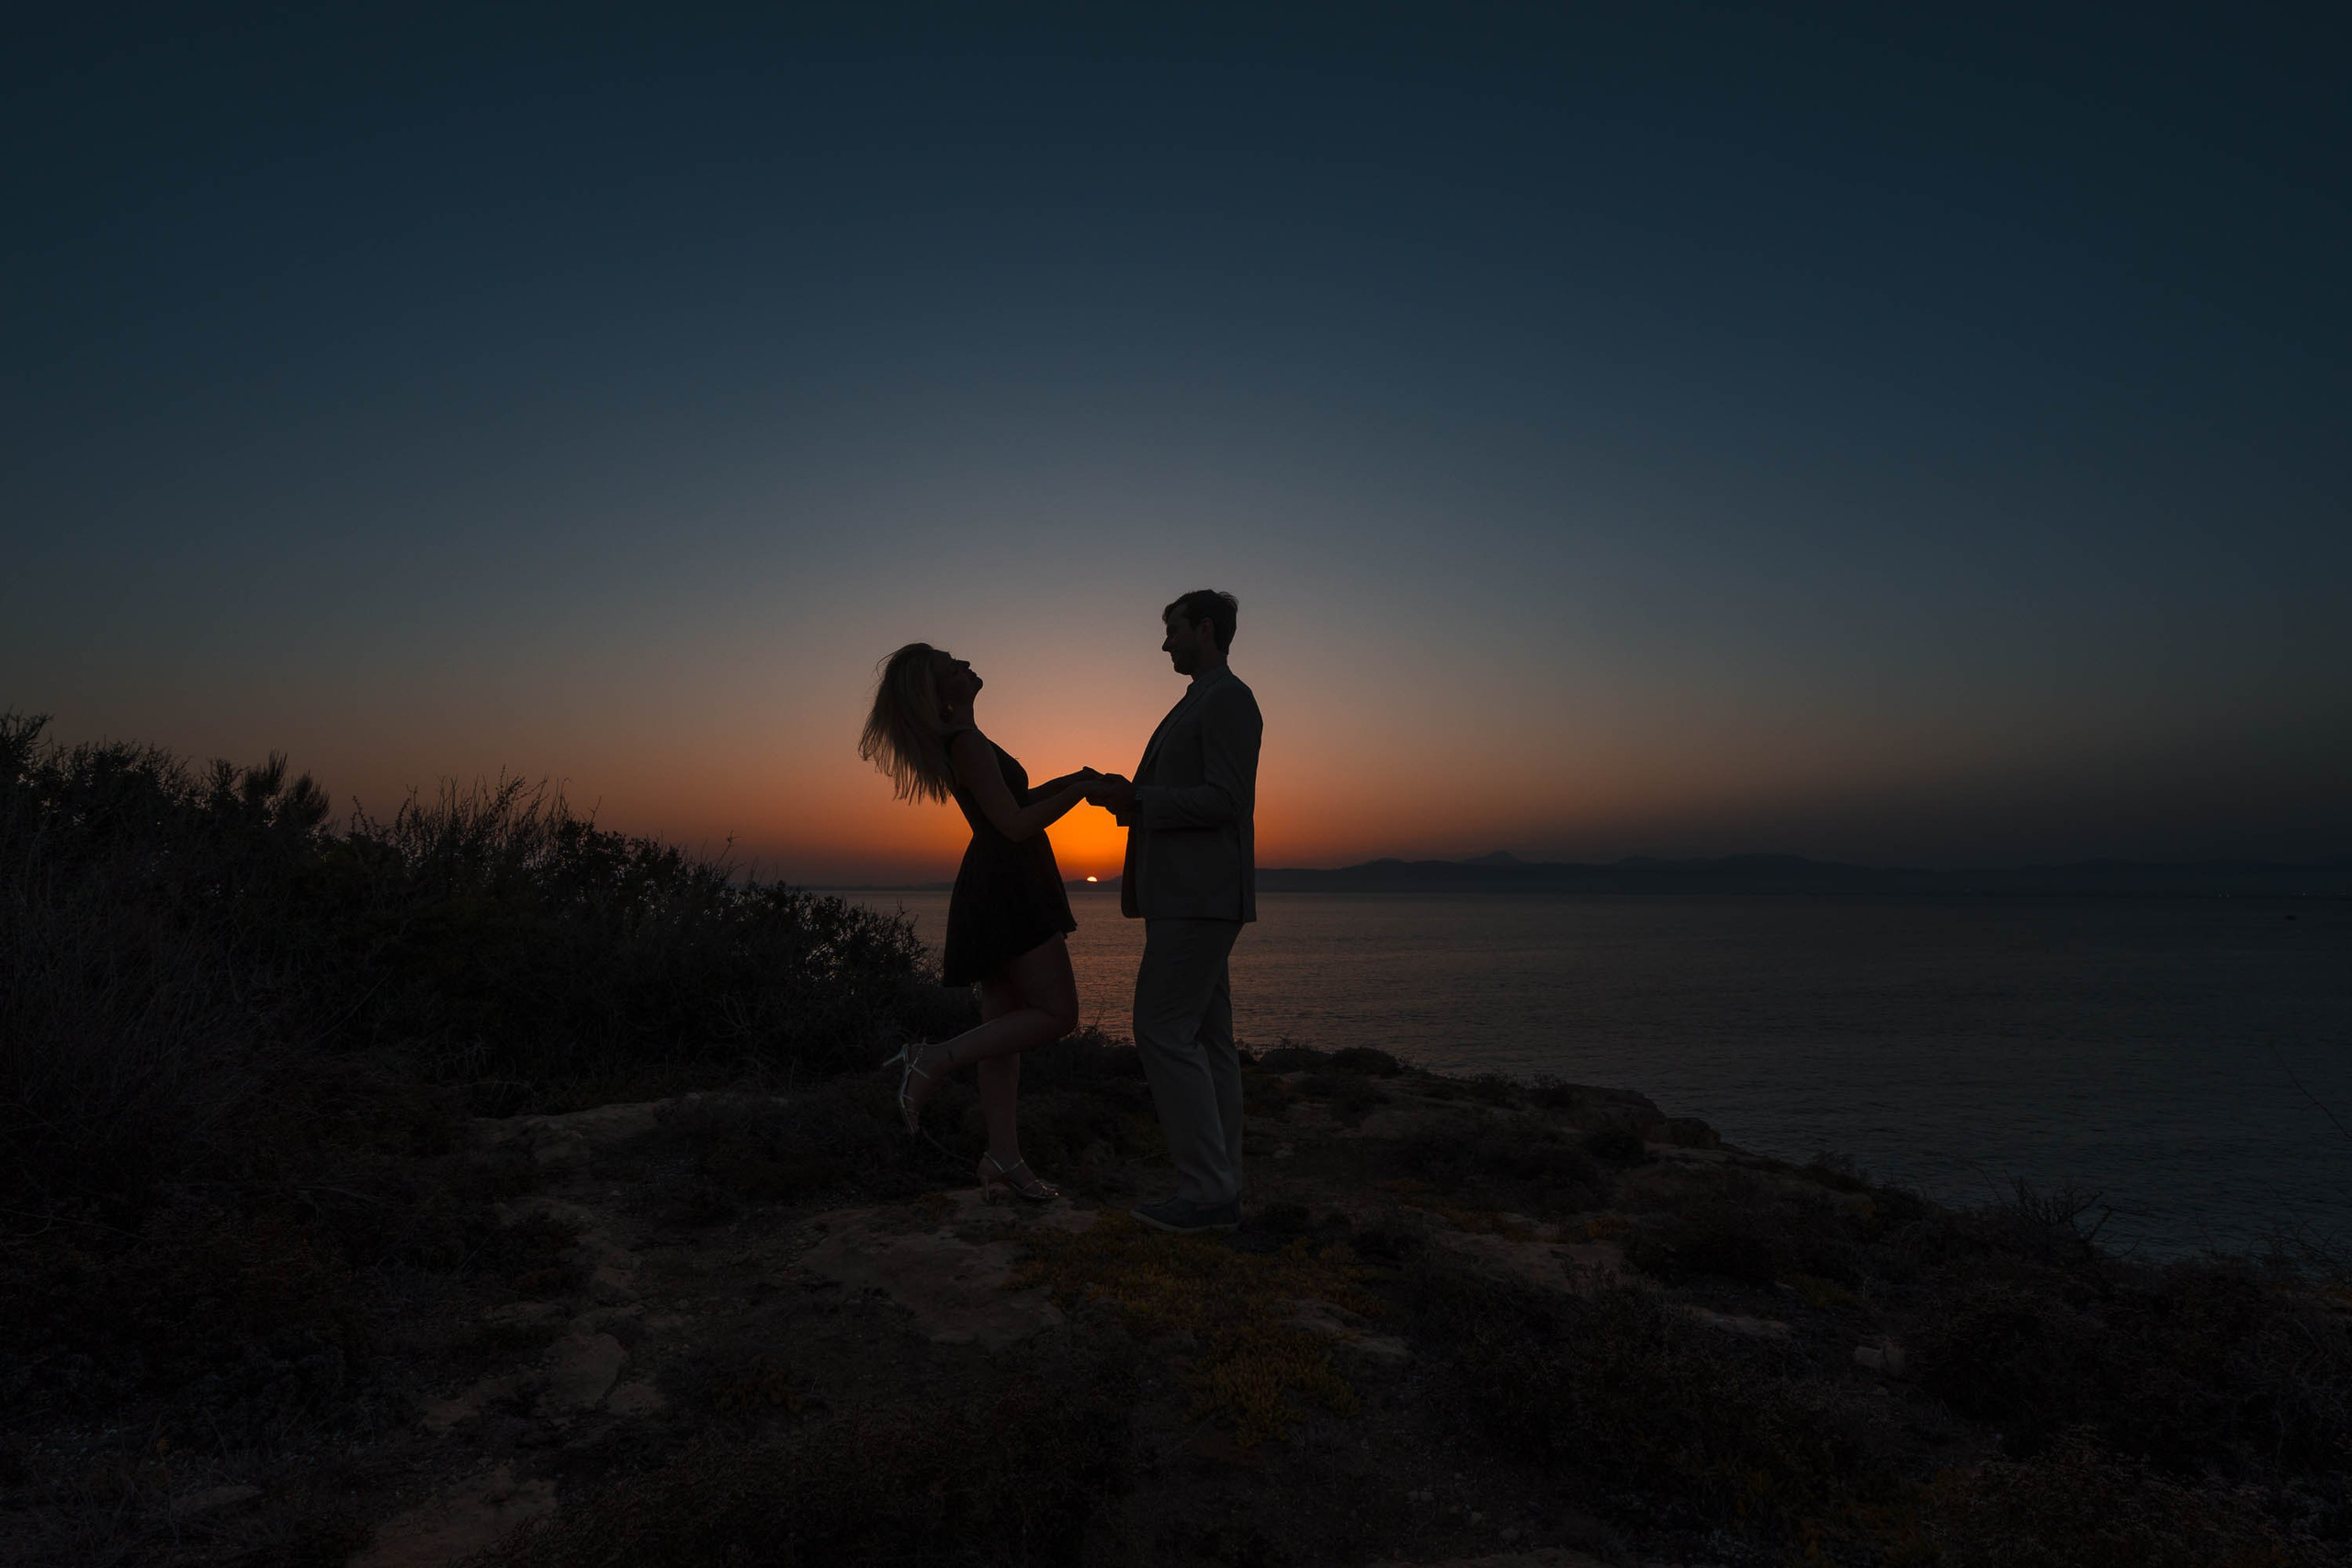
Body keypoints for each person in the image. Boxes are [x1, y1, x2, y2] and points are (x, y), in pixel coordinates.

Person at [858, 642, 1098, 1201]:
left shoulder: (968, 739)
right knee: (1058, 1014)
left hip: (997, 884)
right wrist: (1082, 791)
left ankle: (1003, 1157)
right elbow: (1015, 824)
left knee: (1002, 1033)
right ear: (938, 692)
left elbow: (1013, 803)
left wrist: (1075, 781)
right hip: (1010, 886)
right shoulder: (964, 742)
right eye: (952, 666)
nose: (965, 664)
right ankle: (932, 1059)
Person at [1087, 590, 1262, 1234]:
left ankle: (1208, 1192)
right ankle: (1222, 1185)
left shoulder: (1228, 699)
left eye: (1173, 630)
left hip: (1199, 897)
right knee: (1210, 1043)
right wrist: (1132, 797)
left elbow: (1227, 801)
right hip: (1189, 897)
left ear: (1205, 628)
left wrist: (1140, 800)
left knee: (1160, 1028)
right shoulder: (1199, 700)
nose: (1165, 643)